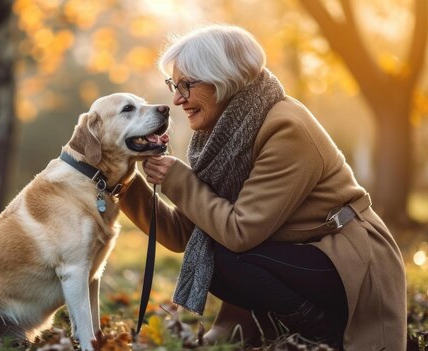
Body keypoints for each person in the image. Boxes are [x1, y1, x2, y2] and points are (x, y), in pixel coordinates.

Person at [119, 24, 406, 350]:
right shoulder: (220, 137)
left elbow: (240, 233)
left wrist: (177, 178)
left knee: (223, 255)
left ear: (223, 79)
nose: (177, 98)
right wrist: (122, 184)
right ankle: (286, 326)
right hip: (300, 253)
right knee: (211, 248)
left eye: (186, 84)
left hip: (347, 259)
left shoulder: (286, 128)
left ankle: (322, 331)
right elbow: (182, 234)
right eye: (174, 84)